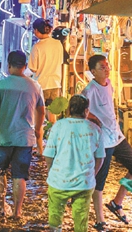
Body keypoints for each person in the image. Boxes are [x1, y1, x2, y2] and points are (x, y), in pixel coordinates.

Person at [81, 54, 132, 229]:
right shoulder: (89, 90)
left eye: (107, 66)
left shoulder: (109, 85)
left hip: (116, 136)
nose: (107, 69)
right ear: (93, 71)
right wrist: (94, 118)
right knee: (100, 180)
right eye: (102, 67)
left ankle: (117, 202)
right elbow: (81, 111)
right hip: (102, 140)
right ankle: (99, 219)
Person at [0, 50, 45, 220]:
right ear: (25, 66)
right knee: (20, 176)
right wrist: (38, 132)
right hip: (25, 139)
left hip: (3, 137)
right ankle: (17, 212)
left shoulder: (1, 86)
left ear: (9, 65)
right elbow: (41, 111)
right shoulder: (35, 86)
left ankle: (2, 205)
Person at [43, 95, 105, 232]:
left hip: (59, 182)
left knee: (55, 219)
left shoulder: (58, 126)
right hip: (84, 183)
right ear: (86, 110)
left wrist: (51, 171)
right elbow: (100, 158)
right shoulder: (95, 129)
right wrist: (92, 174)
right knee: (81, 221)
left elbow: (48, 155)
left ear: (69, 109)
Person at [29, 18, 64, 124]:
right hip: (55, 83)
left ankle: (39, 137)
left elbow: (32, 68)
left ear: (36, 31)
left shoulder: (37, 47)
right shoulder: (58, 44)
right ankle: (52, 134)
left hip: (41, 84)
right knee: (52, 115)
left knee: (38, 114)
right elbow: (60, 61)